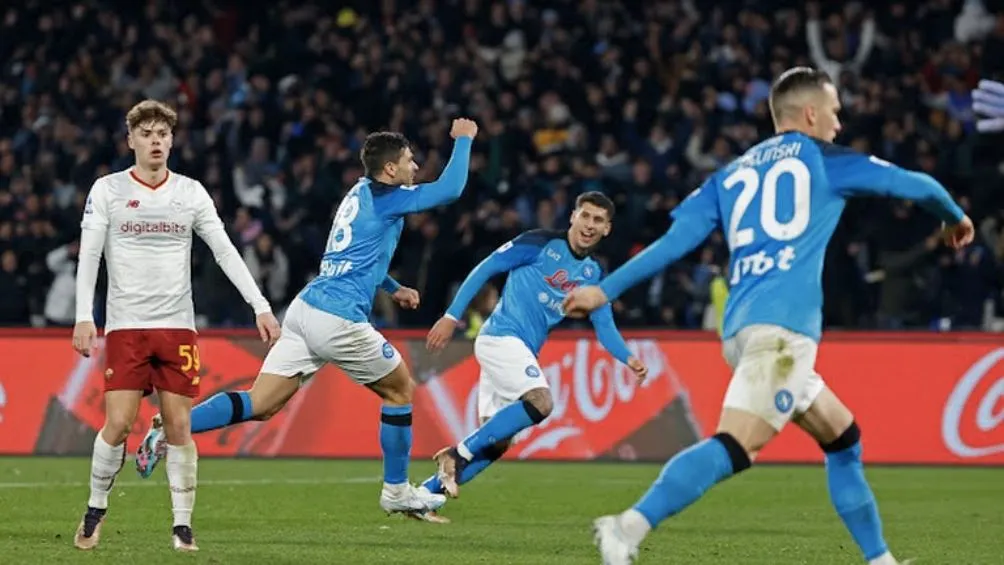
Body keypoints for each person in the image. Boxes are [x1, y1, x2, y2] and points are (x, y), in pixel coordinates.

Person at [563, 67, 974, 565]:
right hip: (782, 335)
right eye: (835, 113)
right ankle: (626, 528)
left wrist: (603, 292)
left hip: (740, 329)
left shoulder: (729, 174)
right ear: (810, 113)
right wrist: (956, 217)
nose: (839, 125)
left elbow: (672, 244)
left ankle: (880, 561)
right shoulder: (823, 160)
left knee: (843, 438)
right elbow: (917, 185)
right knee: (738, 446)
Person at [135, 118, 480, 521]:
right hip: (338, 318)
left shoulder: (360, 193)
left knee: (261, 403)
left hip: (305, 311)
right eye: (409, 161)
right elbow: (451, 189)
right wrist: (464, 140)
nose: (415, 167)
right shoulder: (391, 199)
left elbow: (353, 255)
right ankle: (397, 490)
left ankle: (173, 425)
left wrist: (392, 287)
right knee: (400, 389)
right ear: (390, 170)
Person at [72, 100, 281, 552]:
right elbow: (89, 254)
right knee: (119, 424)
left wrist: (259, 305)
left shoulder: (190, 192)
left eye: (162, 135)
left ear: (172, 140)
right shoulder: (107, 190)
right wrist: (84, 315)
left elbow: (225, 250)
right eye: (146, 134)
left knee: (179, 426)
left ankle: (182, 525)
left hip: (177, 327)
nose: (155, 142)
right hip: (127, 327)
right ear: (130, 141)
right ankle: (96, 507)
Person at [424, 191, 648, 508]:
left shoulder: (593, 274)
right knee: (541, 402)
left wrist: (629, 358)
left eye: (598, 220)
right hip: (500, 338)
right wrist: (450, 316)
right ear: (572, 216)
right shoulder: (539, 243)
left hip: (519, 350)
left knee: (497, 443)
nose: (589, 224)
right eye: (585, 216)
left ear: (607, 229)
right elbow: (486, 268)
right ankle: (455, 454)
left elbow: (604, 324)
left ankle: (422, 496)